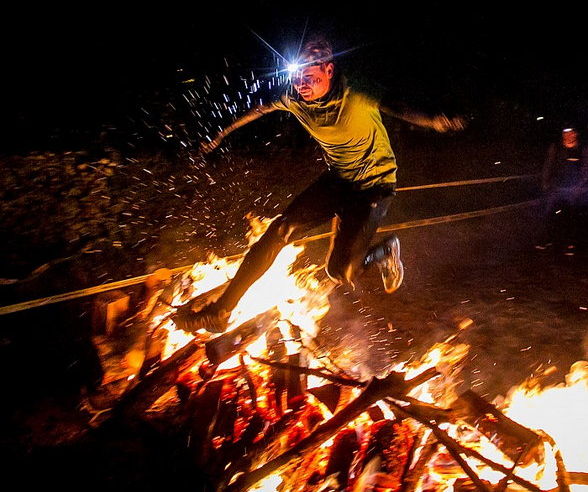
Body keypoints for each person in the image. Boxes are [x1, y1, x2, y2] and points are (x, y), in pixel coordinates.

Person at [173, 38, 463, 333]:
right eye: (297, 78)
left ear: (328, 70)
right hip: (338, 180)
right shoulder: (294, 97)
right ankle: (220, 311)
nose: (301, 85)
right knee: (279, 231)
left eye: (309, 77)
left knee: (340, 271)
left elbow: (396, 103)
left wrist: (435, 119)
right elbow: (259, 109)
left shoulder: (355, 90)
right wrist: (220, 135)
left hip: (374, 185)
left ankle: (385, 252)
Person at [541, 125, 588, 213]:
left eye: (571, 133)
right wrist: (545, 182)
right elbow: (548, 166)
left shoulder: (582, 149)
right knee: (551, 211)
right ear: (562, 134)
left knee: (570, 212)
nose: (568, 135)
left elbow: (587, 168)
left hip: (573, 188)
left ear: (575, 134)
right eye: (566, 133)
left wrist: (580, 185)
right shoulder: (555, 147)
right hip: (555, 187)